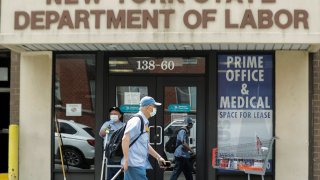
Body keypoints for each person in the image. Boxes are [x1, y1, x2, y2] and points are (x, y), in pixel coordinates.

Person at [121, 96, 167, 180]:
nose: (155, 109)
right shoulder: (137, 120)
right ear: (149, 107)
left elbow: (145, 144)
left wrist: (158, 157)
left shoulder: (143, 121)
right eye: (154, 106)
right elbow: (125, 139)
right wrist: (126, 160)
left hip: (137, 164)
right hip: (134, 164)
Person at [100, 106, 125, 180]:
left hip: (121, 150)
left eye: (115, 114)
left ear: (120, 115)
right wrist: (108, 128)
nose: (113, 115)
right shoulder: (107, 124)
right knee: (111, 170)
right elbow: (102, 134)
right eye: (111, 114)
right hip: (110, 150)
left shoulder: (123, 125)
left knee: (120, 170)